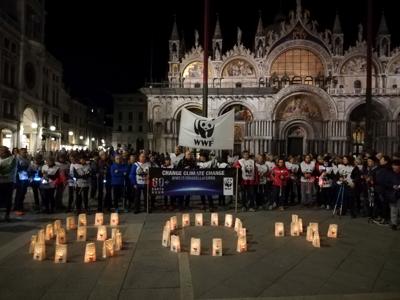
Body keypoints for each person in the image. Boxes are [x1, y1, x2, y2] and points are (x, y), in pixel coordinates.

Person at [0, 146, 17, 221]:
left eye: (3, 151)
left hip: (8, 182)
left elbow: (8, 170)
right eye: (0, 151)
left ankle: (7, 215)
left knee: (8, 199)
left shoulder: (12, 159)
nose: (1, 153)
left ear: (7, 152)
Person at [14, 148, 31, 216]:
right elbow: (16, 168)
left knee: (23, 193)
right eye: (23, 152)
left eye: (25, 152)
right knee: (19, 193)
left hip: (25, 178)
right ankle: (17, 207)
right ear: (20, 152)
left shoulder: (27, 159)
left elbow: (29, 167)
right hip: (19, 178)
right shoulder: (17, 159)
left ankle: (20, 206)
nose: (25, 153)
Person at [387, 160, 400, 230]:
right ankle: (394, 224)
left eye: (395, 165)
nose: (393, 167)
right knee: (393, 209)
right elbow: (386, 183)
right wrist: (392, 186)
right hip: (393, 194)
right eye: (393, 166)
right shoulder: (390, 174)